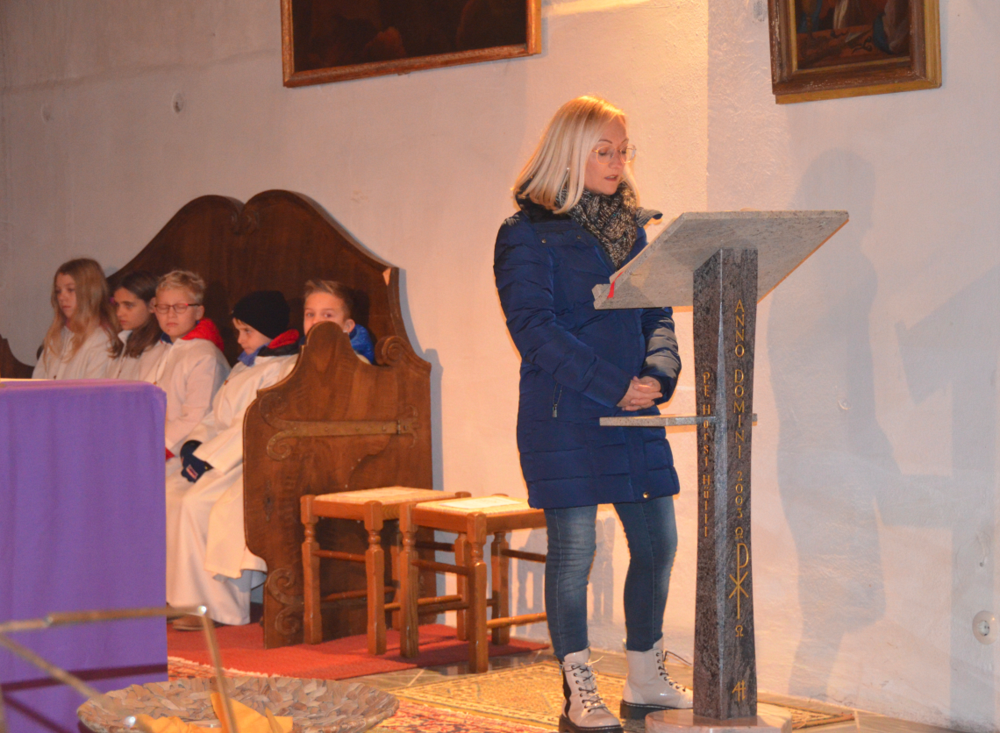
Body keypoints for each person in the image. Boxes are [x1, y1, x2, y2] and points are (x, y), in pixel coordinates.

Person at [493, 96, 690, 733]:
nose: (616, 162)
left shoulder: (632, 231)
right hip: (566, 413)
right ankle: (578, 689)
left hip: (633, 408)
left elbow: (657, 313)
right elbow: (533, 329)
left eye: (622, 151)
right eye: (603, 151)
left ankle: (644, 675)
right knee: (574, 552)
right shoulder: (524, 233)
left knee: (658, 544)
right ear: (568, 154)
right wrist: (613, 385)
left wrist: (657, 375)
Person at [150, 271, 229, 459]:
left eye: (180, 307)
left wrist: (154, 449)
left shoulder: (205, 356)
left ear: (198, 312)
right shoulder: (162, 348)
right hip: (152, 443)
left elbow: (197, 417)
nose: (170, 314)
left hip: (182, 456)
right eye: (163, 307)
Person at [33, 258, 118, 380]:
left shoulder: (102, 339)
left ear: (90, 292)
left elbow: (93, 388)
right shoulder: (56, 335)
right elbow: (38, 380)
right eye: (58, 291)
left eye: (70, 289)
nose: (62, 297)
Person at [107, 270, 168, 382]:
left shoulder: (160, 348)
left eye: (128, 305)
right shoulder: (125, 339)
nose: (119, 313)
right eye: (117, 305)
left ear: (152, 305)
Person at [301, 279, 375, 363]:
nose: (315, 321)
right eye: (310, 314)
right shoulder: (295, 358)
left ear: (347, 326)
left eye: (328, 315)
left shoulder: (357, 363)